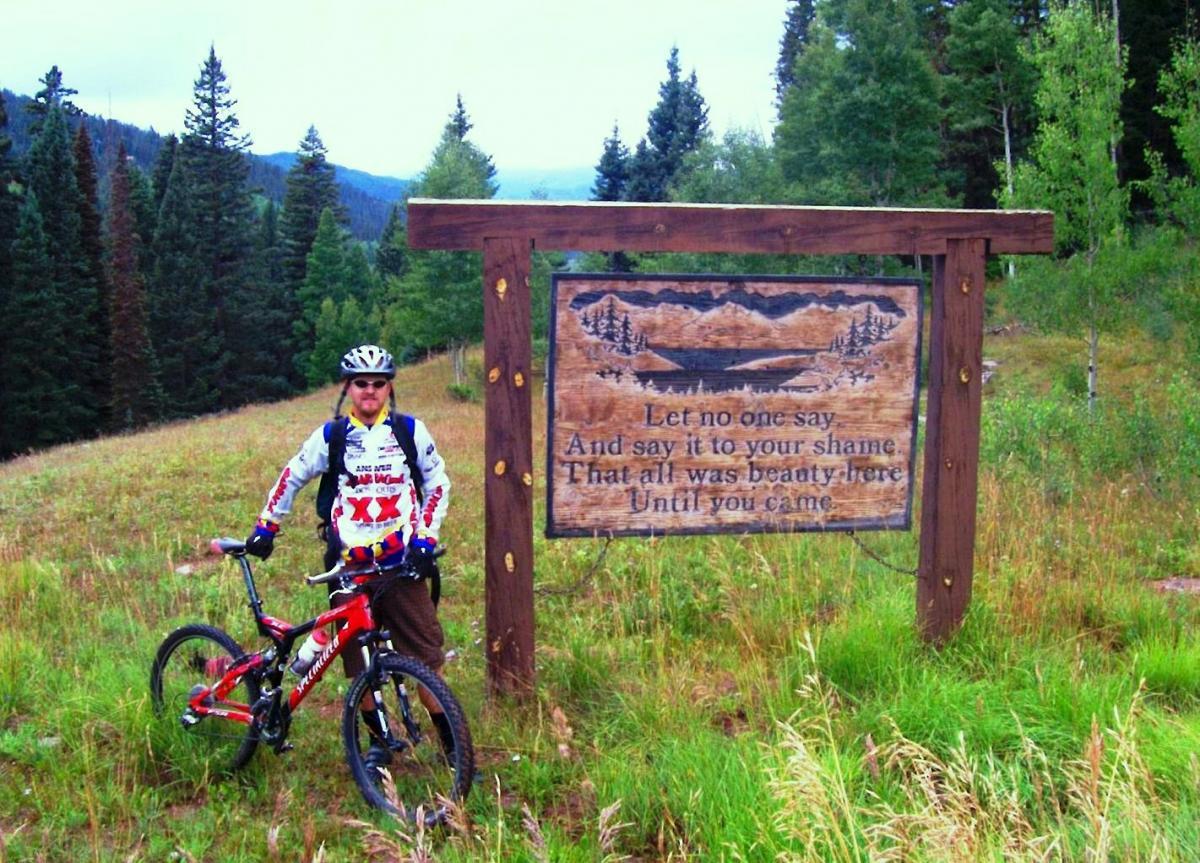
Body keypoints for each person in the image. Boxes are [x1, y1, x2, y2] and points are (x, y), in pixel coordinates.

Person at [244, 343, 453, 770]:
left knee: (427, 657)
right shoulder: (332, 437)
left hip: (400, 564)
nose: (370, 391)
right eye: (361, 383)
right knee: (357, 660)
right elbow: (292, 475)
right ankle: (377, 746)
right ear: (349, 387)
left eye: (378, 384)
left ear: (389, 386)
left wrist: (425, 539)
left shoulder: (411, 432)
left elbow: (438, 485)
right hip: (348, 567)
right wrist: (268, 525)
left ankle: (455, 752)